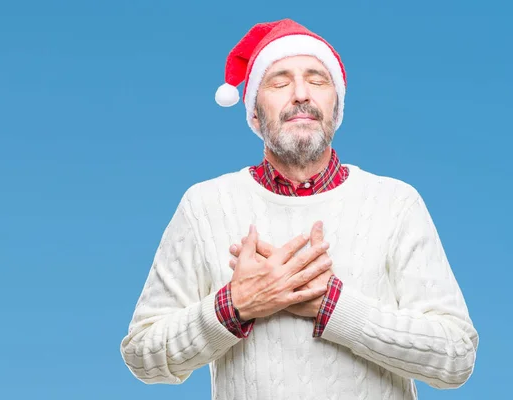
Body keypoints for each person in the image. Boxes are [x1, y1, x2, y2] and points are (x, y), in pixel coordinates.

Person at [120, 18, 478, 400]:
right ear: (255, 113)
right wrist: (236, 305)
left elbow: (456, 358)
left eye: (317, 80)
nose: (301, 94)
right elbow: (143, 355)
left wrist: (335, 308)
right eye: (279, 81)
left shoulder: (396, 204)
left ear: (336, 109)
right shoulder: (204, 206)